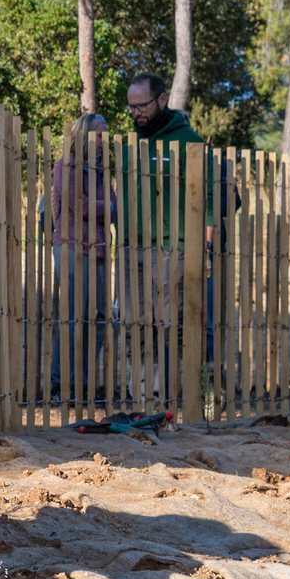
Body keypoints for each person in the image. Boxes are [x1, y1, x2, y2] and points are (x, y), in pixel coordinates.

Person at [121, 74, 209, 406]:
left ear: (161, 99)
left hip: (172, 248)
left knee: (168, 324)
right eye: (131, 107)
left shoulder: (188, 141)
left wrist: (205, 245)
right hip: (133, 248)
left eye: (141, 105)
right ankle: (140, 391)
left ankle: (168, 391)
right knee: (136, 322)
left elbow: (208, 198)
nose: (136, 113)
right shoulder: (133, 143)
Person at [47, 113, 114, 400]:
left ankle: (85, 381)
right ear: (86, 135)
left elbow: (114, 207)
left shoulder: (101, 170)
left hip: (98, 247)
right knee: (72, 316)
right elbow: (81, 207)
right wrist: (108, 206)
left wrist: (107, 206)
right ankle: (61, 381)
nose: (104, 139)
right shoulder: (65, 167)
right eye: (100, 133)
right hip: (72, 248)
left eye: (105, 133)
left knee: (98, 317)